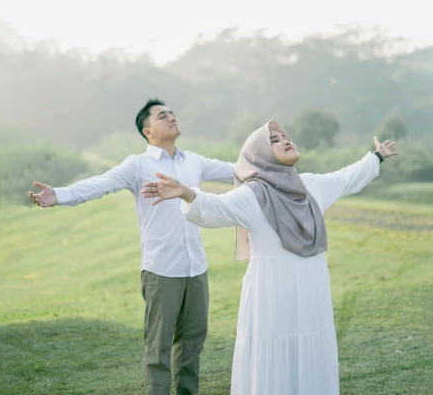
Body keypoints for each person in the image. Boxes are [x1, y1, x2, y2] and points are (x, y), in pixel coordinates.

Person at [141, 119, 398, 395]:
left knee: (308, 348)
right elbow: (216, 207)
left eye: (285, 136)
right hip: (271, 296)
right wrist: (187, 193)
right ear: (259, 154)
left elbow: (348, 177)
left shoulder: (311, 186)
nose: (286, 140)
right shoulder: (254, 194)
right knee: (273, 353)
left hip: (311, 292)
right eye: (274, 139)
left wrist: (377, 157)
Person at [29, 98, 235, 395]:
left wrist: (273, 157)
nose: (172, 117)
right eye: (163, 115)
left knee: (193, 342)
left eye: (173, 113)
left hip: (196, 268)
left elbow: (237, 170)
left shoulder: (193, 161)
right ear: (148, 131)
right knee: (158, 348)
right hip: (161, 270)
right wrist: (58, 195)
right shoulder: (138, 165)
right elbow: (99, 185)